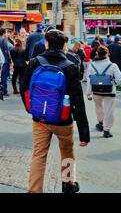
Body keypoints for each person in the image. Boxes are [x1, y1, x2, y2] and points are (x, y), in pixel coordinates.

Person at [20, 29, 90, 193]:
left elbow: (24, 88)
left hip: (40, 119)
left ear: (46, 43)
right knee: (67, 152)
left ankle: (35, 190)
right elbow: (78, 101)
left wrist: (31, 109)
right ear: (65, 46)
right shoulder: (70, 67)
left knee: (39, 155)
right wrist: (84, 133)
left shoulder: (36, 62)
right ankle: (68, 183)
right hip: (63, 119)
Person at [86, 46, 121, 138]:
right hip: (109, 91)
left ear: (97, 54)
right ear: (107, 54)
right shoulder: (112, 65)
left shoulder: (92, 65)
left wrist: (88, 93)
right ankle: (106, 130)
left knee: (98, 108)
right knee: (109, 111)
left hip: (96, 91)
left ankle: (100, 123)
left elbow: (89, 80)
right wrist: (113, 83)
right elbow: (120, 79)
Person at [0, 28, 12, 97]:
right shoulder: (4, 40)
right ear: (4, 33)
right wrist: (10, 60)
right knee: (4, 76)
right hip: (4, 61)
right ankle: (4, 91)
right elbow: (6, 51)